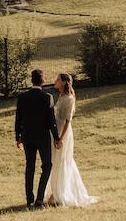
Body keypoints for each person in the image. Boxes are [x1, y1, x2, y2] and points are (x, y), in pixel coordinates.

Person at [43, 72, 98, 208]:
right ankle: (55, 193)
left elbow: (67, 120)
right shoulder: (61, 96)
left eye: (57, 79)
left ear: (63, 82)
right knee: (57, 161)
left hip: (63, 133)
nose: (55, 81)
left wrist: (60, 138)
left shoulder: (68, 98)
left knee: (61, 161)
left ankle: (58, 194)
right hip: (56, 131)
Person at [14, 68, 59, 208]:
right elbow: (51, 121)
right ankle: (40, 198)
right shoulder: (48, 97)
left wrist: (18, 137)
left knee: (30, 167)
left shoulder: (22, 97)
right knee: (47, 165)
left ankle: (29, 199)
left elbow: (18, 119)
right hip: (43, 137)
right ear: (43, 81)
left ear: (31, 80)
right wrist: (57, 137)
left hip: (27, 136)